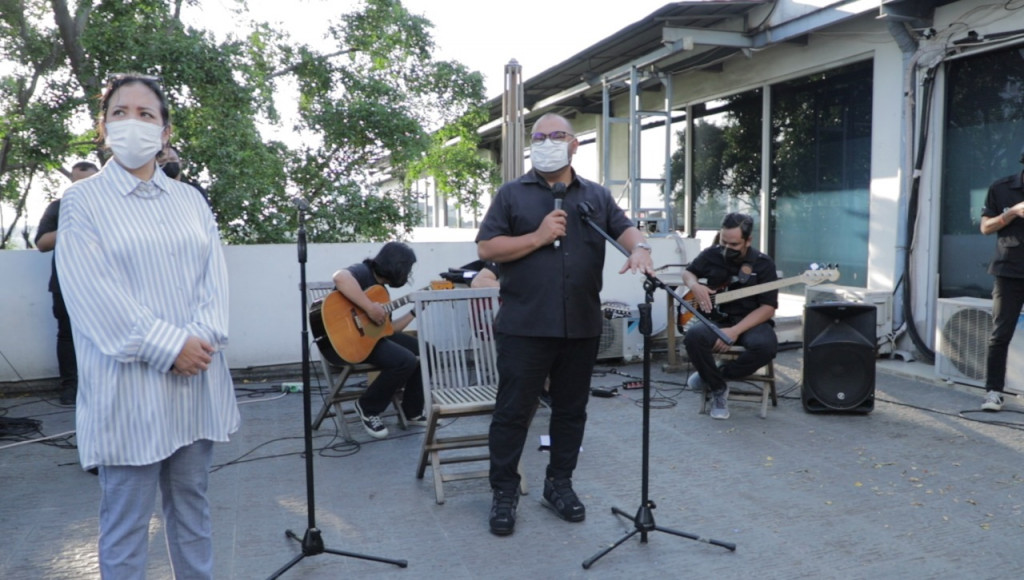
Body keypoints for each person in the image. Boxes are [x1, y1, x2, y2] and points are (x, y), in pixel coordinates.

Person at [54, 73, 240, 579]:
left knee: (193, 512)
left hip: (194, 383)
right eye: (120, 113)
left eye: (145, 114)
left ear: (164, 131)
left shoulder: (190, 201)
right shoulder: (83, 202)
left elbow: (213, 281)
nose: (132, 123)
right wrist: (170, 345)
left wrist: (199, 341)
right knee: (126, 523)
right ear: (103, 126)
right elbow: (93, 297)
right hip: (128, 389)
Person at [476, 112, 654, 536]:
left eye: (556, 135)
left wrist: (642, 248)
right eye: (538, 137)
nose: (546, 142)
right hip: (524, 325)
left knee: (571, 412)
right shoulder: (511, 194)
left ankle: (559, 484)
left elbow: (624, 229)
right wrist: (537, 237)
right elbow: (487, 245)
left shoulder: (595, 196)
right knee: (513, 413)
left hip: (581, 325)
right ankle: (504, 491)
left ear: (575, 144)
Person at [682, 212, 779, 420]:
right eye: (723, 242)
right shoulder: (711, 254)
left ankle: (716, 375)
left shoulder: (763, 264)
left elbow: (768, 308)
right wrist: (694, 285)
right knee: (693, 337)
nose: (727, 249)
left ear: (748, 240)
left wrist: (734, 331)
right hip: (717, 319)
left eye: (734, 245)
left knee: (766, 347)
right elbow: (689, 273)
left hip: (751, 322)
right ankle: (718, 389)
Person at [331, 241, 427, 438]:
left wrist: (414, 311)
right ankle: (368, 407)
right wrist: (369, 307)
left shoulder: (382, 290)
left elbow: (388, 330)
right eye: (407, 269)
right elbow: (339, 277)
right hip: (348, 341)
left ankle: (413, 411)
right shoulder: (363, 271)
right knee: (405, 360)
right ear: (397, 266)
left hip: (371, 339)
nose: (407, 275)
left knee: (426, 351)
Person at [35, 161, 99, 405]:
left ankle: (101, 385)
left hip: (103, 284)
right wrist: (72, 226)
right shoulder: (58, 207)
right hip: (65, 284)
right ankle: (71, 386)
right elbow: (42, 243)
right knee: (67, 336)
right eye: (76, 183)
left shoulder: (112, 207)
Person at [979, 147, 1024, 411]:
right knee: (1001, 333)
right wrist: (1011, 213)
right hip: (1009, 273)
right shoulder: (1002, 188)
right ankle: (993, 392)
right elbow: (985, 227)